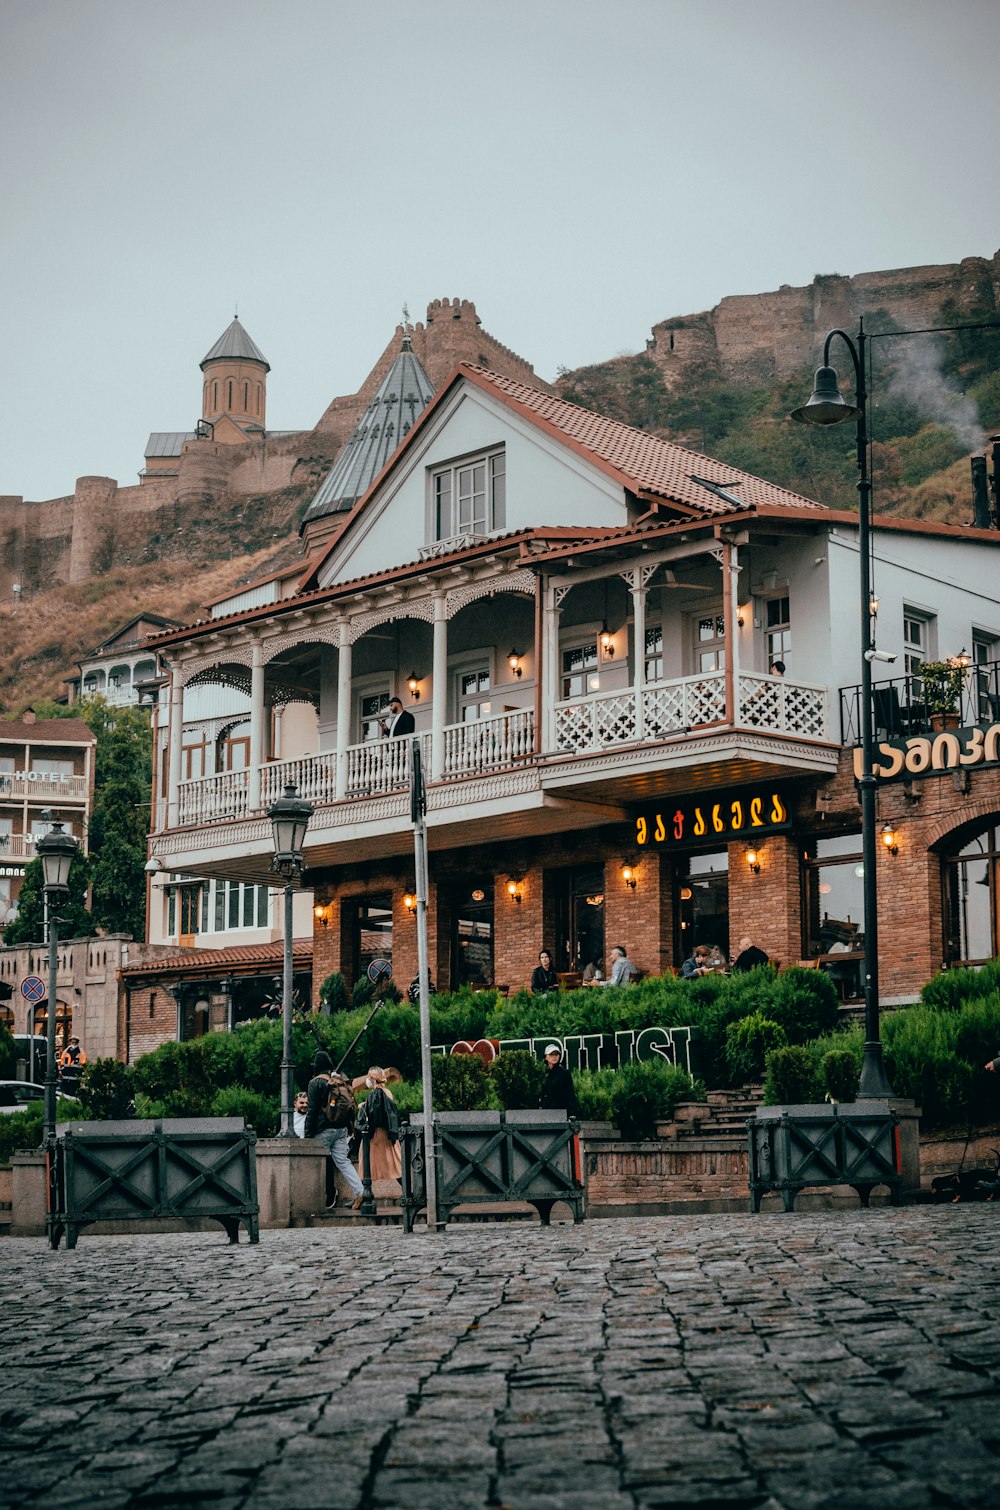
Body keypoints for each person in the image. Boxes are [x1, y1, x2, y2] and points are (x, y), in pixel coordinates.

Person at [304, 1050, 364, 1210]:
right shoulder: (339, 1080)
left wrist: (307, 1136)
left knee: (314, 1162)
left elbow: (312, 1111)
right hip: (341, 1129)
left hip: (323, 1130)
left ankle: (317, 1199)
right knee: (343, 1162)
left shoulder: (315, 1083)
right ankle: (361, 1191)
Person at [352, 1066, 402, 1190]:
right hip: (388, 1133)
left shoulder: (375, 1093)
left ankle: (365, 1195)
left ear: (373, 1079)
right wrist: (365, 1104)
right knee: (395, 1164)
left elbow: (374, 1112)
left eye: (369, 1077)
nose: (367, 1080)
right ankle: (409, 1190)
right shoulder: (387, 1092)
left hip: (376, 1136)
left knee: (367, 1165)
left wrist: (362, 1107)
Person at [539, 1043, 579, 1116]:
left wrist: (572, 1114)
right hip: (544, 1113)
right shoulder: (542, 1073)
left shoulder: (564, 1073)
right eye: (551, 1054)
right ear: (545, 1057)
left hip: (560, 1113)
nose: (554, 1057)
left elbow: (570, 1094)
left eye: (556, 1054)